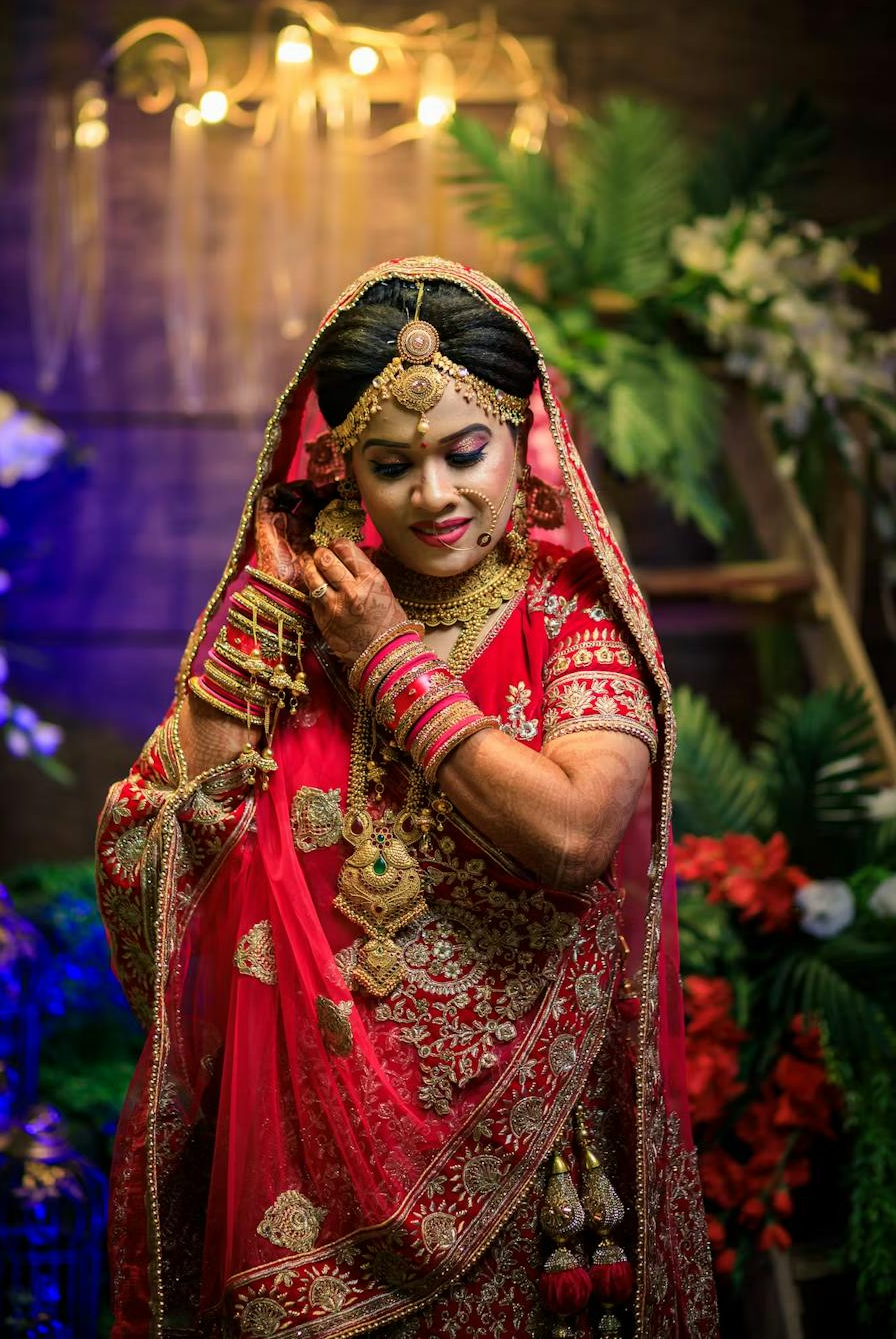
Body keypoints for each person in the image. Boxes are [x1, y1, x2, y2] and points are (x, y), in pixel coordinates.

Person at [96, 256, 718, 1339]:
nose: (434, 495)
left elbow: (574, 833)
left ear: (522, 438)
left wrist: (388, 658)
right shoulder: (296, 623)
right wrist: (252, 634)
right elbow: (163, 843)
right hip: (300, 1164)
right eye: (393, 464)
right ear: (343, 471)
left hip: (522, 1172)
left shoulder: (568, 621)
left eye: (463, 451)